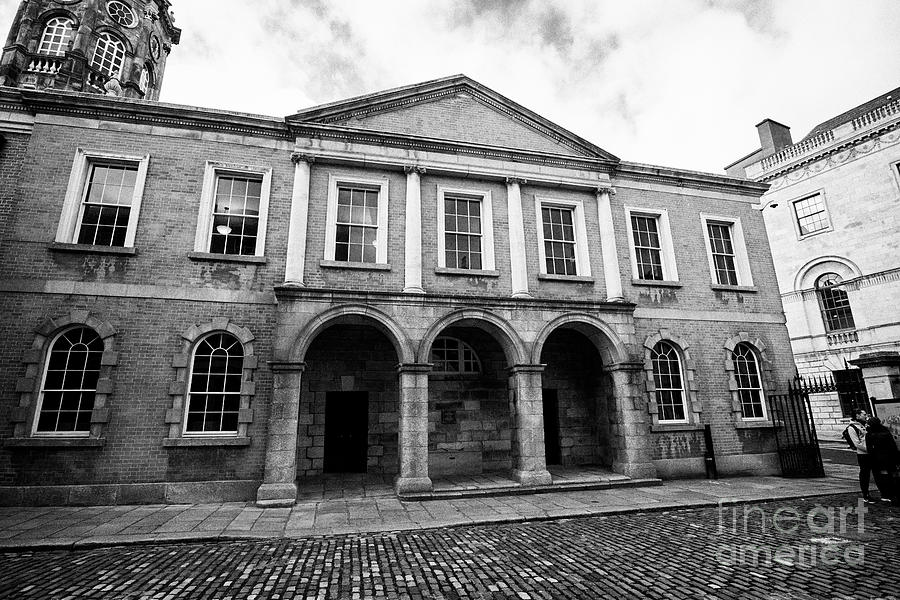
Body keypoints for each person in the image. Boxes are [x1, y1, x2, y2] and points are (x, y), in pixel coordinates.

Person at [865, 416, 899, 504]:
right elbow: (893, 446)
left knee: (882, 477)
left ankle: (886, 494)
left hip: (877, 460)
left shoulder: (869, 434)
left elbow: (869, 449)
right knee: (892, 475)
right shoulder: (885, 432)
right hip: (889, 458)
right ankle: (894, 493)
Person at [843, 409, 872, 502]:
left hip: (871, 452)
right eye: (864, 414)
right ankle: (865, 494)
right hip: (863, 454)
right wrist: (869, 449)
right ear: (857, 416)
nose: (866, 416)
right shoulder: (852, 428)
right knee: (865, 474)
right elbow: (857, 443)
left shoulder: (866, 424)